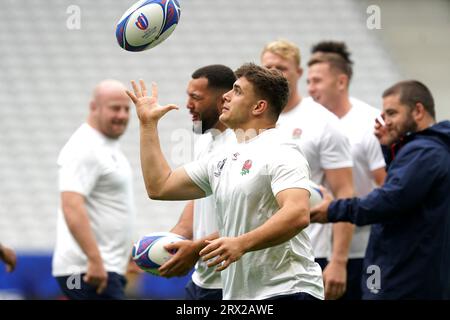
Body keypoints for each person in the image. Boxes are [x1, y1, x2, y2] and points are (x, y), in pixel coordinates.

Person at [126, 63, 324, 300]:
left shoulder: (282, 150)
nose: (226, 96)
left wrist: (241, 243)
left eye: (237, 91)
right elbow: (160, 186)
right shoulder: (222, 158)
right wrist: (148, 124)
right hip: (242, 296)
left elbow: (297, 213)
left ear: (259, 106)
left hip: (287, 289)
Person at [311, 80, 450, 299]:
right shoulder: (422, 150)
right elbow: (399, 186)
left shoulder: (426, 152)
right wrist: (389, 147)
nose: (386, 122)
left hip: (406, 276)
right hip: (396, 267)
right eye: (384, 116)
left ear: (418, 111)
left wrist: (332, 210)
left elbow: (388, 200)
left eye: (392, 114)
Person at [261, 39, 354, 299]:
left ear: (299, 73)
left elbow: (345, 192)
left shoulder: (322, 121)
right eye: (268, 67)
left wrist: (339, 260)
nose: (274, 73)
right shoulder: (255, 119)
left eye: (282, 68)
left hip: (310, 253)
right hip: (263, 253)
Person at [306, 41, 386, 299]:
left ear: (341, 82)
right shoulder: (305, 121)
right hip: (309, 249)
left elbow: (387, 190)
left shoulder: (370, 123)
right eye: (308, 82)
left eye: (317, 81)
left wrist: (339, 258)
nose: (310, 89)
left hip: (358, 252)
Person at [157, 64, 237, 300]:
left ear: (223, 100)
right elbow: (200, 197)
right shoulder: (205, 140)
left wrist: (196, 249)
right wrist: (175, 237)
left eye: (196, 97)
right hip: (202, 279)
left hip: (231, 284)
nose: (188, 105)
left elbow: (248, 220)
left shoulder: (239, 145)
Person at [52, 79, 136, 300]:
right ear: (94, 107)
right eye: (114, 108)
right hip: (88, 270)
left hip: (104, 267)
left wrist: (124, 254)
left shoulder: (107, 146)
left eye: (126, 109)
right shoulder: (84, 147)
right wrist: (94, 259)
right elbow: (71, 205)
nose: (122, 115)